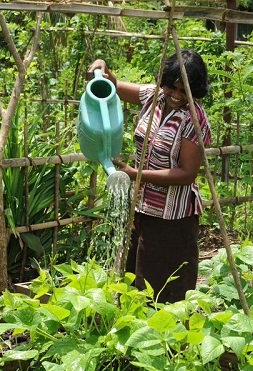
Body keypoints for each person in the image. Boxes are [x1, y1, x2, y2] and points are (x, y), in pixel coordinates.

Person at [87, 50, 212, 303]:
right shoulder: (153, 97)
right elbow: (114, 85)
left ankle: (170, 340)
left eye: (183, 91)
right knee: (135, 281)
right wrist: (102, 66)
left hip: (172, 218)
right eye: (171, 88)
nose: (176, 96)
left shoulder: (194, 120)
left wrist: (138, 174)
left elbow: (187, 174)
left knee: (165, 290)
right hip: (141, 209)